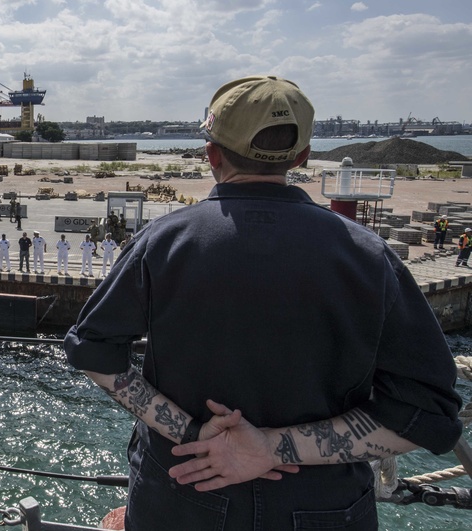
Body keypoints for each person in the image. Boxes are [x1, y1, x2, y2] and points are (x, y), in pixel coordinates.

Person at [64, 76, 462, 531]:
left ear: (212, 155)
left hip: (181, 496)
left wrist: (192, 434)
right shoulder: (368, 256)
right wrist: (271, 448)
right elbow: (429, 414)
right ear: (302, 157)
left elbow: (94, 352)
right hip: (324, 507)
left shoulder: (164, 242)